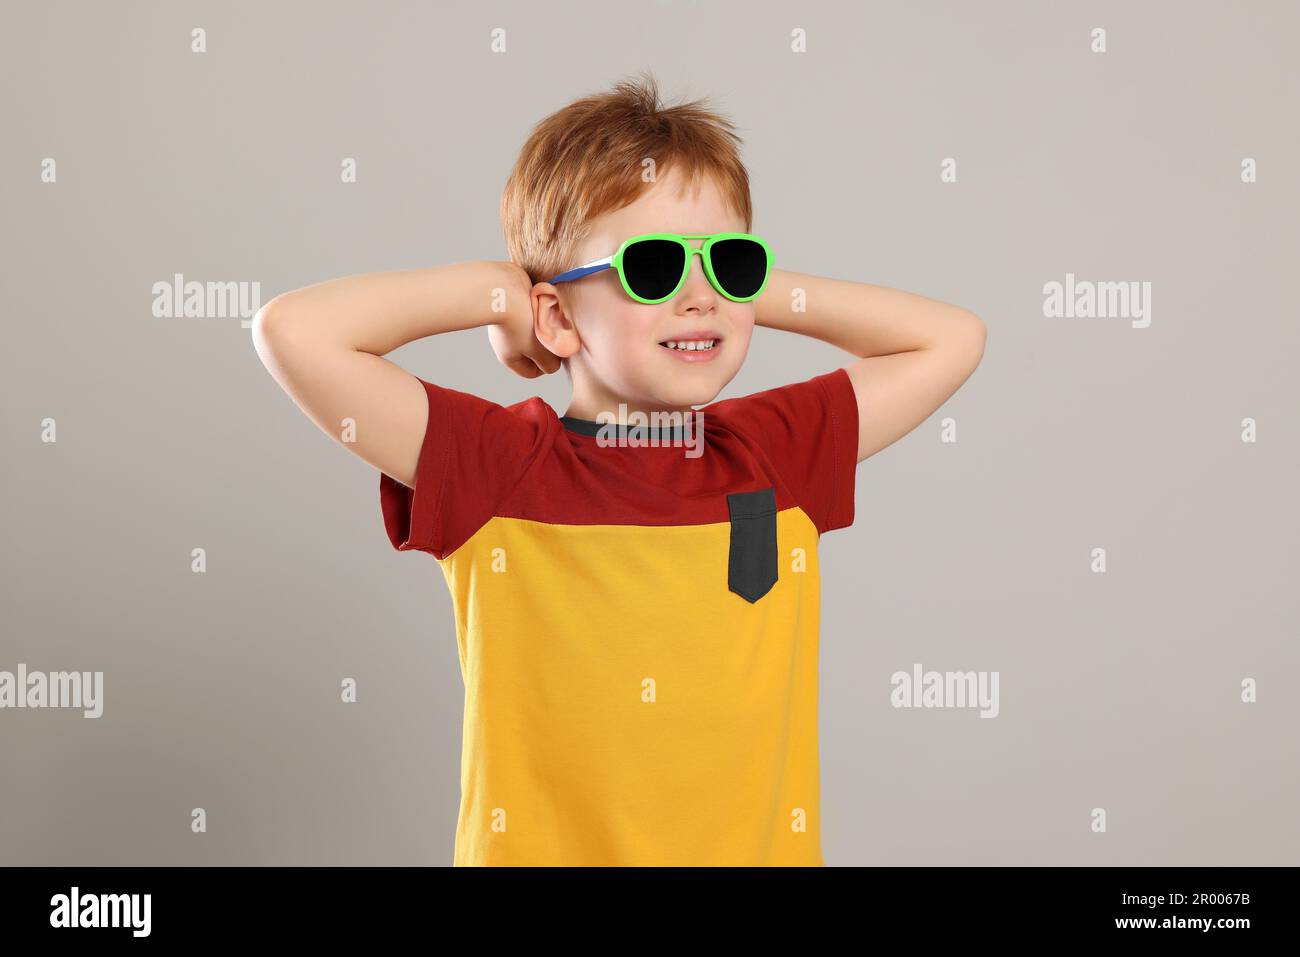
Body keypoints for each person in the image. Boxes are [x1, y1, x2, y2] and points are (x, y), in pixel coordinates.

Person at [252, 72, 986, 866]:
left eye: (729, 263)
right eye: (654, 267)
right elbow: (295, 331)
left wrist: (737, 289)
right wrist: (501, 295)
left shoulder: (775, 450)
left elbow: (952, 338)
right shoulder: (494, 465)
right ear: (559, 315)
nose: (699, 297)